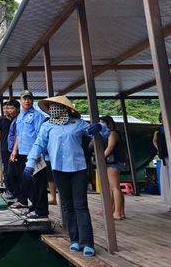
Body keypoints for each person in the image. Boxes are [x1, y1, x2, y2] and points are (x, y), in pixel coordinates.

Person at [24, 96, 109, 257]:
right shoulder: (47, 126)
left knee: (81, 205)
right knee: (67, 206)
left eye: (56, 106)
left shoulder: (77, 124)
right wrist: (30, 163)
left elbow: (103, 133)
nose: (52, 109)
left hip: (78, 168)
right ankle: (75, 239)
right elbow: (39, 145)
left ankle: (87, 242)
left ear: (65, 108)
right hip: (58, 168)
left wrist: (100, 127)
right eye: (50, 106)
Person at [9, 91, 46, 218]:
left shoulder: (38, 116)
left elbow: (40, 136)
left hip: (35, 153)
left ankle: (41, 210)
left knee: (39, 182)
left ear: (32, 100)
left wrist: (36, 153)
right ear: (20, 100)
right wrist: (14, 151)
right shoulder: (19, 117)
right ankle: (34, 206)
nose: (27, 101)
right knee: (27, 181)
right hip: (23, 152)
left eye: (29, 98)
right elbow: (18, 135)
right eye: (24, 99)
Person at [100, 115, 126, 220]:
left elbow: (110, 147)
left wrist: (100, 158)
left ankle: (117, 212)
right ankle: (120, 211)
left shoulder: (112, 133)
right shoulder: (110, 133)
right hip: (114, 162)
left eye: (102, 123)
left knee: (115, 187)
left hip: (113, 162)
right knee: (114, 187)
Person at [0, 99, 20, 199]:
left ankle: (17, 191)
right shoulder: (1, 120)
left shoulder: (17, 119)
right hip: (5, 148)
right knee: (7, 170)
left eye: (9, 108)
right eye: (5, 108)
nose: (7, 110)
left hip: (17, 148)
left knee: (16, 170)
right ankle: (9, 190)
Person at [153, 113, 171, 210]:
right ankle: (170, 200)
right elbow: (154, 140)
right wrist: (159, 149)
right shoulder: (158, 130)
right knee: (166, 178)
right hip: (164, 156)